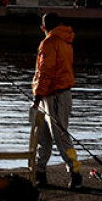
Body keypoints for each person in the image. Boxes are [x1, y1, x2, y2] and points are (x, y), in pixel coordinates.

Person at [32, 12, 84, 189]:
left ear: (43, 27)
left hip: (54, 96)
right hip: (57, 94)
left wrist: (37, 96)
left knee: (60, 136)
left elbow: (45, 71)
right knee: (44, 134)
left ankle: (75, 172)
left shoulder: (49, 43)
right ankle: (40, 172)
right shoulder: (65, 41)